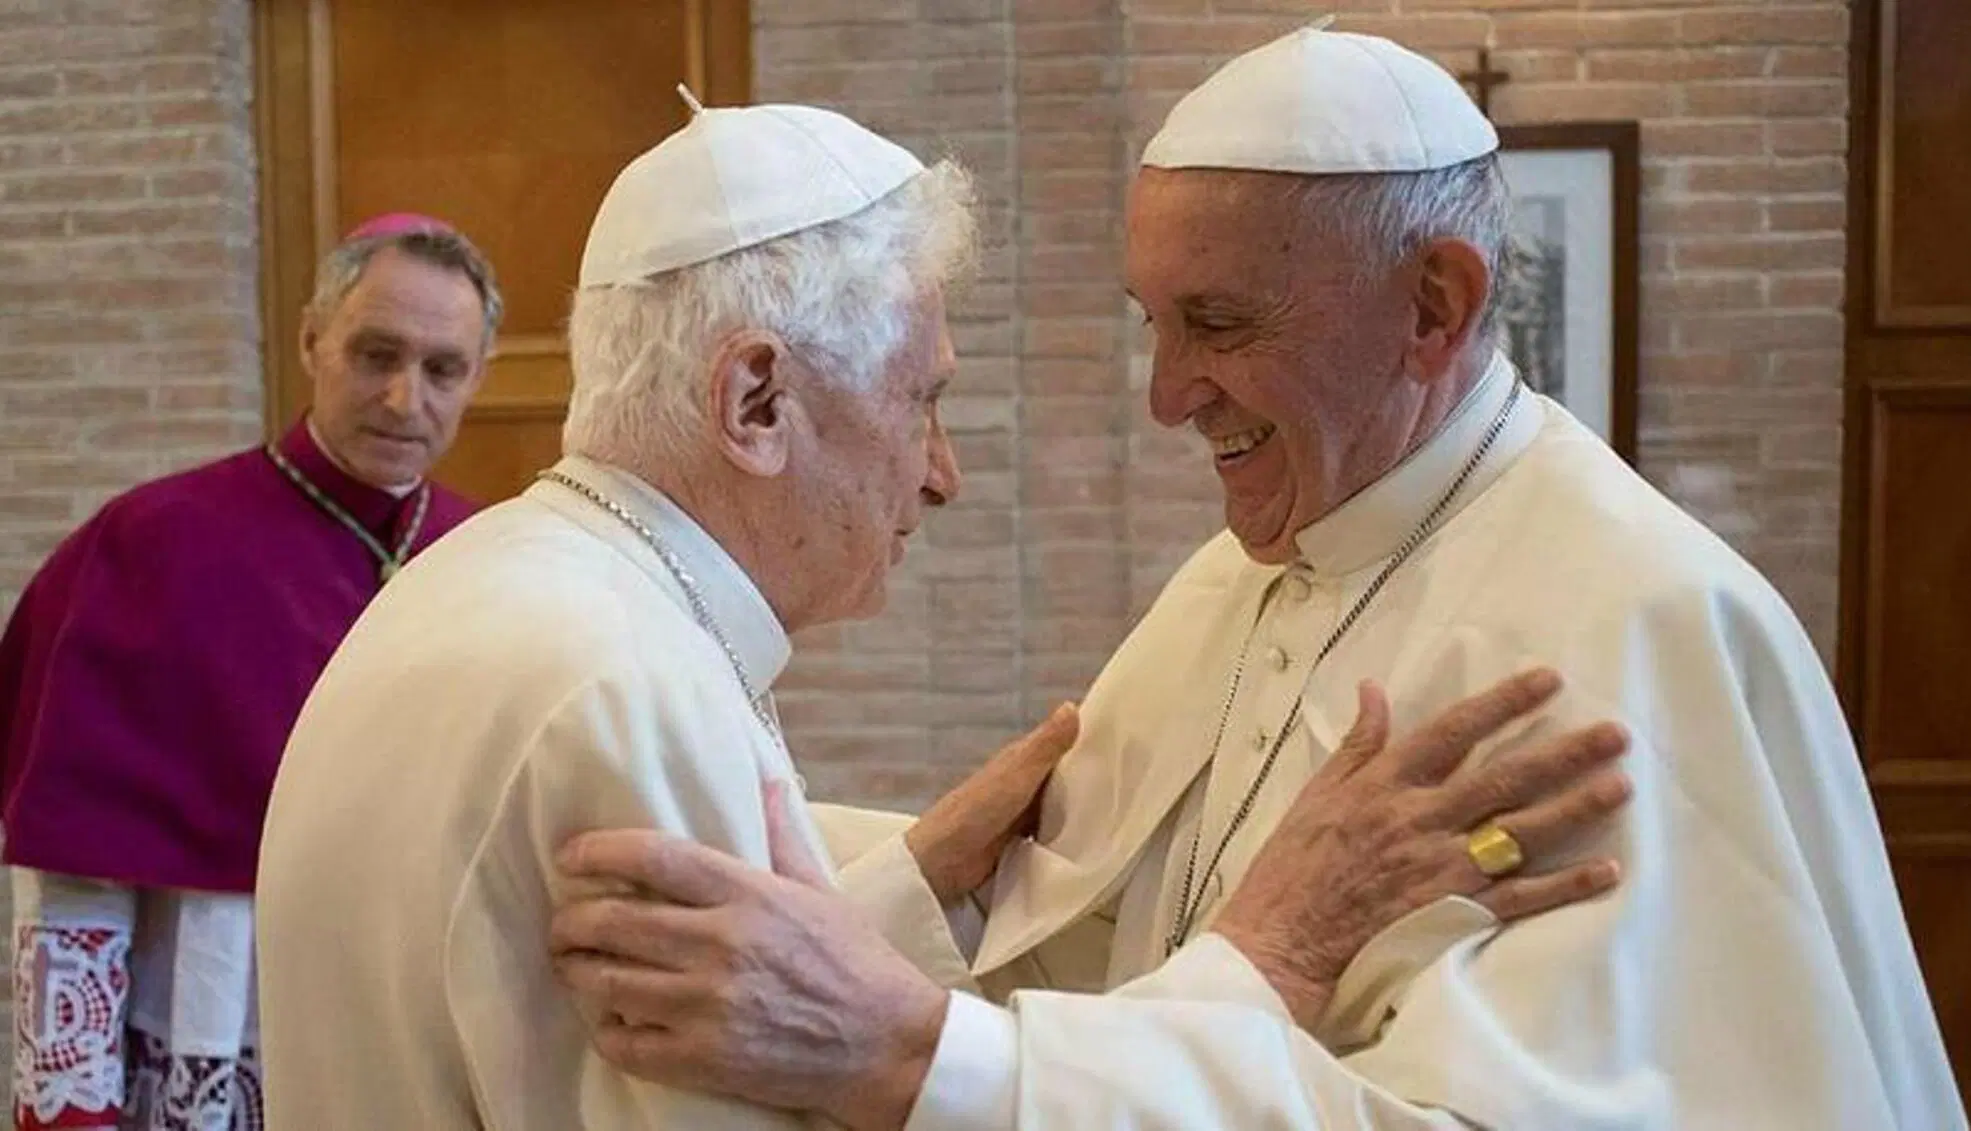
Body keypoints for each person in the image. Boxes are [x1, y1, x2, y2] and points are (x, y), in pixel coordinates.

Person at [546, 24, 1969, 1131]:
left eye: (1218, 325)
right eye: (1152, 324)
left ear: (1434, 305)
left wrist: (926, 1056)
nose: (1166, 396)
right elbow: (1118, 957)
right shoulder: (1239, 582)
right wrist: (926, 897)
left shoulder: (1625, 631)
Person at [253, 90, 1628, 1131]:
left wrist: (917, 890)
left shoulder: (499, 583)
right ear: (756, 401)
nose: (942, 471)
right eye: (925, 400)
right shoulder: (622, 692)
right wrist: (1260, 960)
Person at [1, 212, 497, 1130]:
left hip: (416, 1045)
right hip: (218, 1032)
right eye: (375, 354)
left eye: (442, 369)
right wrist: (72, 1109)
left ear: (478, 377)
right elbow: (76, 872)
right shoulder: (151, 545)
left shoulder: (494, 558)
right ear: (312, 341)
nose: (404, 399)